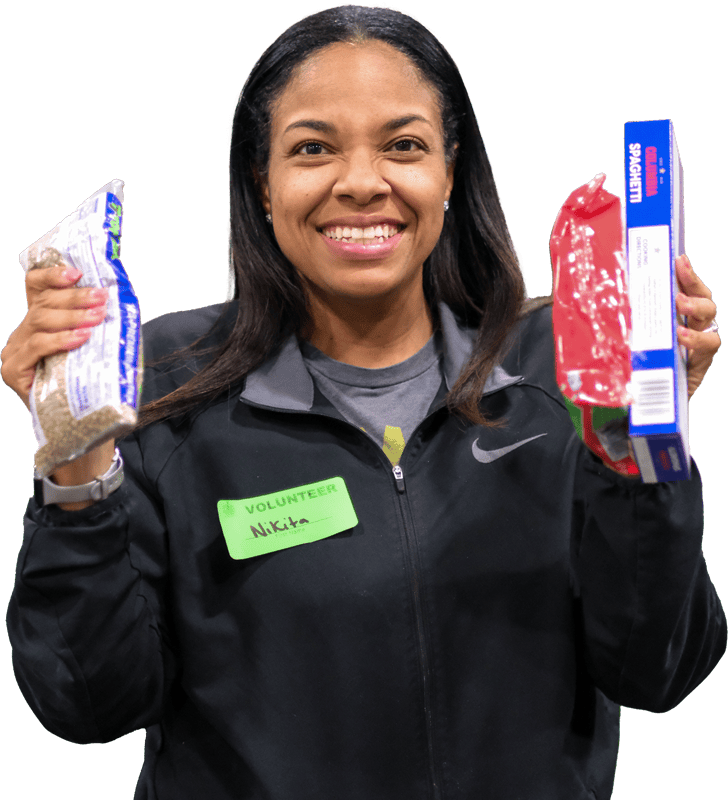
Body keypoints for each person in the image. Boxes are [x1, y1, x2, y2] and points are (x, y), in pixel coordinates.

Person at [2, 5, 725, 799]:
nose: (360, 182)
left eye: (404, 146)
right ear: (263, 184)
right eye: (312, 149)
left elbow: (658, 669)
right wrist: (76, 460)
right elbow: (89, 704)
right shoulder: (159, 384)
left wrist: (645, 435)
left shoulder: (566, 368)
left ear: (450, 173)